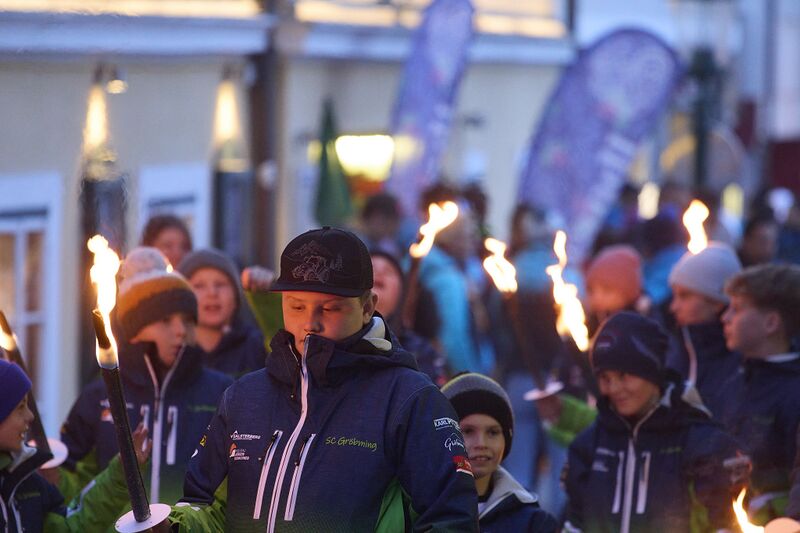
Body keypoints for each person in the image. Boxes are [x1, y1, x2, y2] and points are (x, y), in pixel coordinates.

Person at [169, 227, 479, 531]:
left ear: (368, 307)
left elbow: (450, 518)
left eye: (330, 308)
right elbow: (202, 503)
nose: (310, 323)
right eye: (297, 306)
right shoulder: (243, 396)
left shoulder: (410, 400)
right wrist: (174, 527)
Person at [60, 247, 232, 508]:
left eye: (187, 320)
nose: (179, 331)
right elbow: (69, 484)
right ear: (134, 330)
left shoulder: (222, 392)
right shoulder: (100, 396)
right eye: (165, 320)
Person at [563, 312, 744, 533]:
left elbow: (722, 522)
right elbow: (576, 521)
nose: (614, 389)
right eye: (605, 378)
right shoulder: (589, 445)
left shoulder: (698, 442)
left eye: (624, 376)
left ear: (652, 371)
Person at [0, 359, 149, 531]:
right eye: (20, 407)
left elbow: (71, 526)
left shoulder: (28, 483)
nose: (30, 416)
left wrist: (120, 474)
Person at [720, 263, 800, 524]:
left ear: (771, 323)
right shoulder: (733, 381)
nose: (725, 317)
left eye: (737, 309)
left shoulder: (793, 392)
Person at [441, 372, 558, 532]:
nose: (481, 443)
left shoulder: (534, 523)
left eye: (493, 432)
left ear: (507, 439)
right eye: (467, 431)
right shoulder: (417, 511)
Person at [666, 242, 742, 418]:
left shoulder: (742, 365)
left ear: (716, 302)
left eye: (684, 296)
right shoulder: (675, 351)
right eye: (674, 295)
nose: (673, 307)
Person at [178, 248, 267, 378]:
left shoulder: (257, 347)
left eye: (220, 284)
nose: (212, 293)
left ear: (236, 297)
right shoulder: (173, 351)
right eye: (199, 286)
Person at [370, 249, 447, 385]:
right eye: (371, 268)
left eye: (388, 271)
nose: (379, 273)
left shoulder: (420, 351)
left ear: (401, 292)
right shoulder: (340, 341)